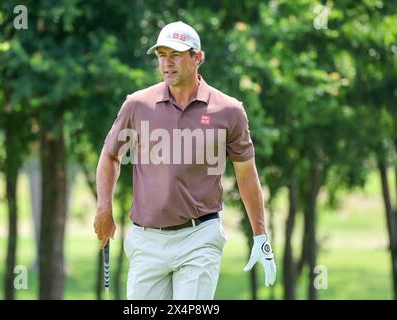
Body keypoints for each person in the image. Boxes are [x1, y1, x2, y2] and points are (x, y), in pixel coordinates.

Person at [94, 21, 276, 300]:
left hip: (199, 236)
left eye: (176, 55)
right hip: (147, 239)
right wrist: (104, 207)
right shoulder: (137, 105)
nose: (167, 63)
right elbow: (110, 155)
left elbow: (246, 175)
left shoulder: (229, 111)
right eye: (162, 55)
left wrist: (260, 236)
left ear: (197, 58)